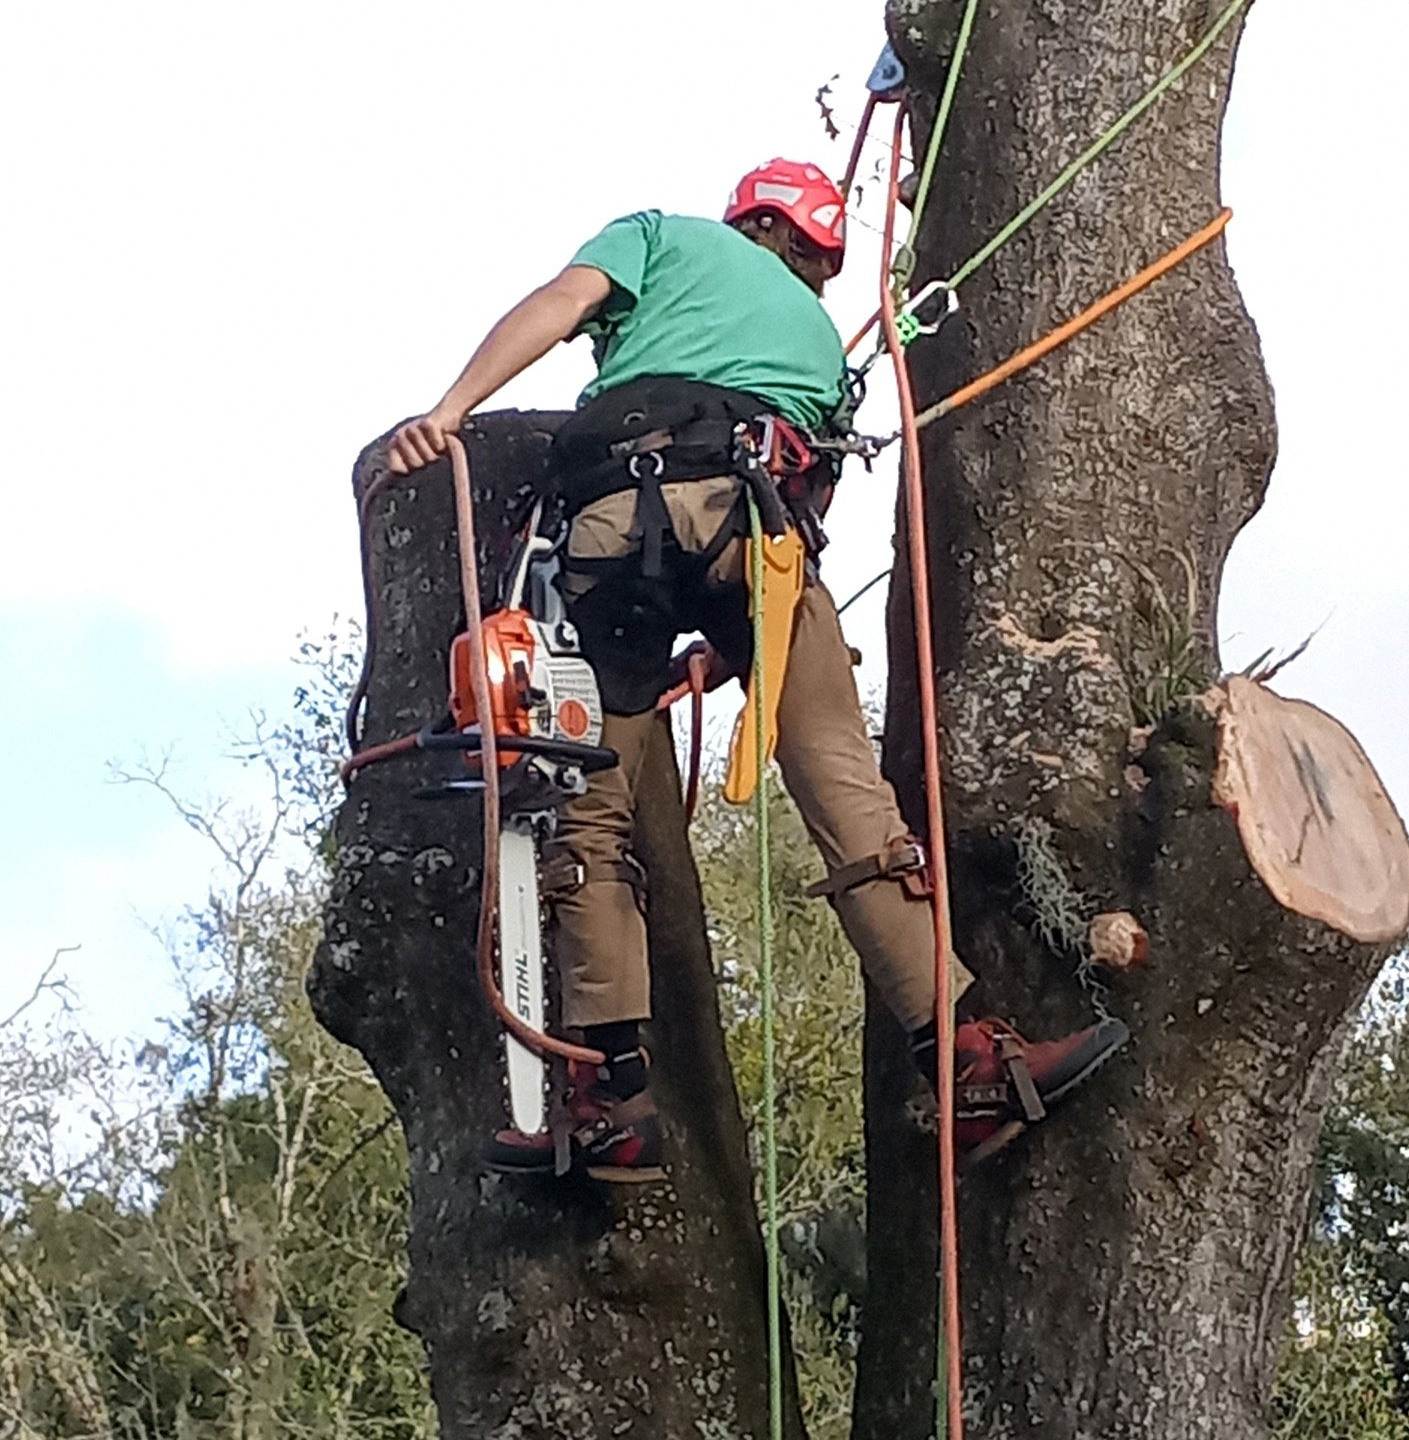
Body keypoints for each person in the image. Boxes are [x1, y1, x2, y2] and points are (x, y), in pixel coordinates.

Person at [387, 159, 1128, 1181]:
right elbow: (800, 503)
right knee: (839, 779)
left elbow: (565, 305)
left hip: (612, 527)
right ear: (818, 256)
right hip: (760, 534)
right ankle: (964, 1060)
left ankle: (611, 1101)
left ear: (743, 219)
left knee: (591, 812)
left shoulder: (658, 234)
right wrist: (730, 650)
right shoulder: (821, 340)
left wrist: (451, 409)